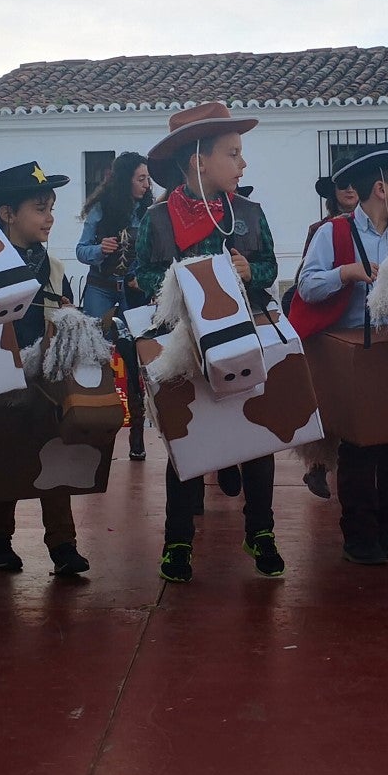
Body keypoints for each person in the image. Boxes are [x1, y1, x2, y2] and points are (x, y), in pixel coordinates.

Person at [134, 103, 283, 582]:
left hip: (242, 339)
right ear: (199, 160)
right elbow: (143, 274)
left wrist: (249, 270)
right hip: (183, 347)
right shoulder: (157, 220)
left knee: (257, 437)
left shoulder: (249, 214)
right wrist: (180, 282)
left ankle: (261, 530)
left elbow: (269, 267)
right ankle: (178, 540)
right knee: (189, 441)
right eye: (233, 154)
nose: (243, 164)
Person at [293, 139, 388, 567]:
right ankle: (359, 533)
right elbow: (306, 286)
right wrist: (346, 273)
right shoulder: (333, 232)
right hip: (353, 359)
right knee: (359, 450)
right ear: (381, 189)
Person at [0, 161, 91, 577]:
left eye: (51, 208)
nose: (50, 218)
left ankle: (63, 545)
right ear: (7, 213)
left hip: (45, 379)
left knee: (54, 454)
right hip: (0, 379)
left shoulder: (51, 266)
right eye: (40, 209)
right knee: (5, 457)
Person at [76, 151, 155, 460]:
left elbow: (152, 254)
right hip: (101, 290)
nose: (147, 185)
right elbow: (81, 250)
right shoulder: (101, 209)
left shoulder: (149, 212)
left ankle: (137, 434)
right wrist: (100, 249)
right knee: (95, 357)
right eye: (141, 179)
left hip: (131, 296)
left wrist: (141, 279)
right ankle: (94, 428)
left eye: (148, 179)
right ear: (125, 181)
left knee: (135, 362)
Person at [295, 174, 361, 498]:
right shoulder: (321, 230)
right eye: (342, 184)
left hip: (360, 327)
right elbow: (306, 278)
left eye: (353, 183)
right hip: (328, 320)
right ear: (333, 193)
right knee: (326, 396)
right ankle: (318, 465)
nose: (348, 189)